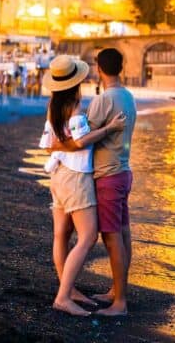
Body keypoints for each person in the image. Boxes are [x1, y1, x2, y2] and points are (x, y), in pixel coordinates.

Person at [52, 48, 136, 317]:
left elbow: (80, 139)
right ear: (120, 68)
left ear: (99, 69)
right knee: (123, 233)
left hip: (108, 176)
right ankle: (116, 290)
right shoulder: (128, 96)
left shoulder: (103, 100)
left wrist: (56, 144)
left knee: (111, 238)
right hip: (124, 172)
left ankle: (120, 302)